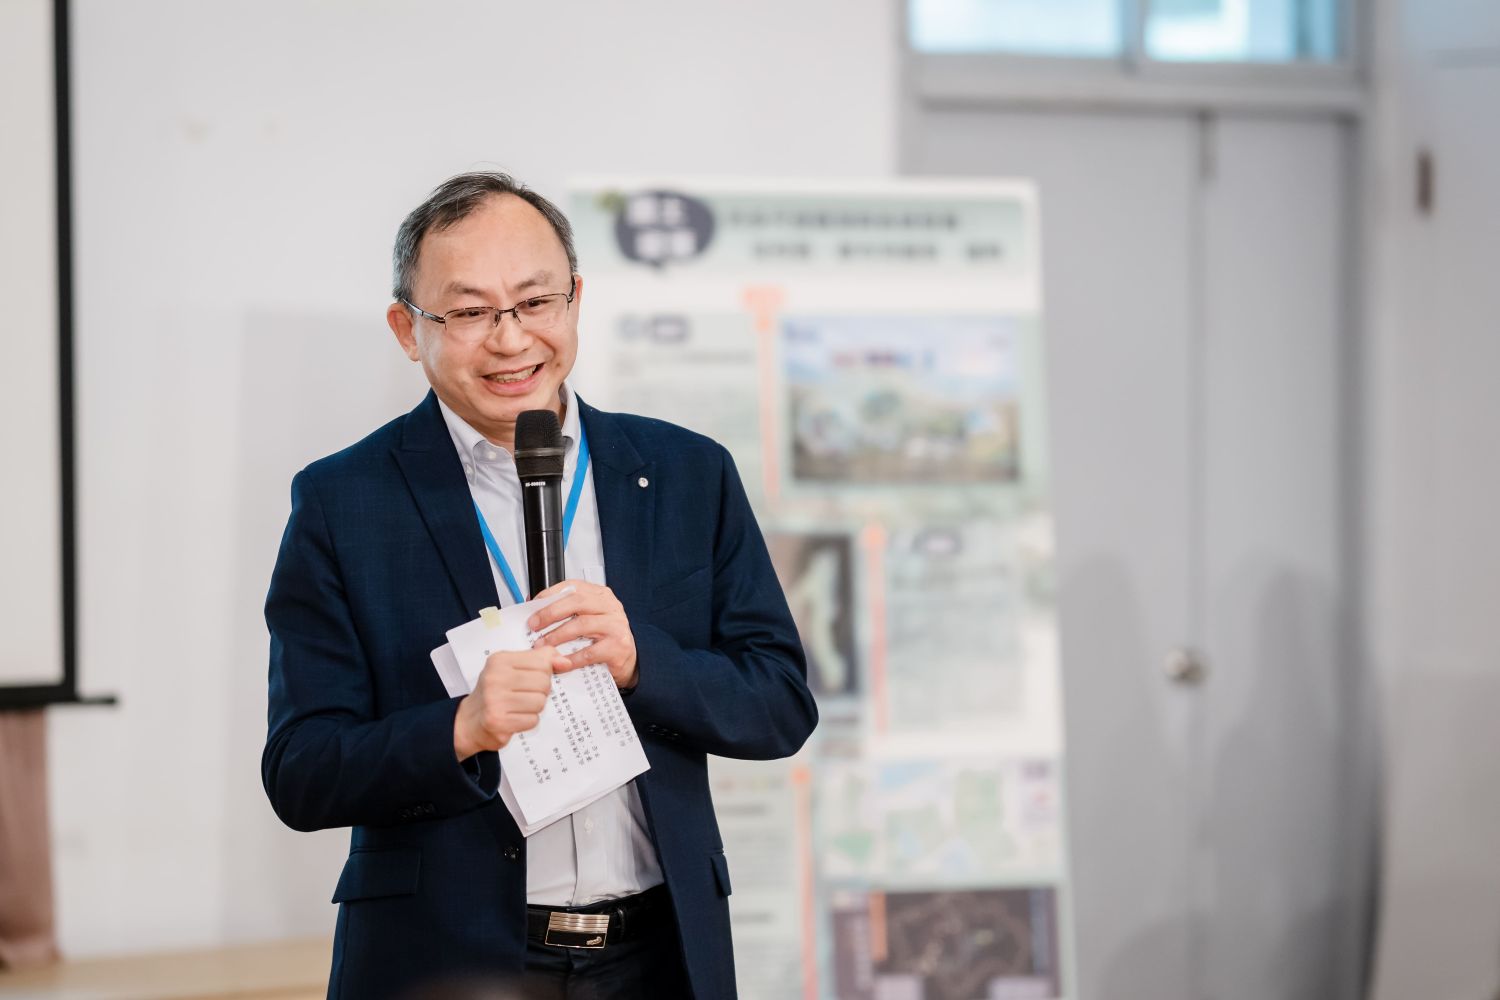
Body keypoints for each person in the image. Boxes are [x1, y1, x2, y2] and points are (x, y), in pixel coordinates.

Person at [262, 172, 817, 1000]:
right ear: (408, 330)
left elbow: (779, 705)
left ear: (575, 301)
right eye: (470, 312)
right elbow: (302, 771)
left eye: (533, 302)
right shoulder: (345, 502)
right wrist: (460, 728)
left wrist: (643, 662)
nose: (511, 339)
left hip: (660, 957)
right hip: (449, 963)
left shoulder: (685, 472)